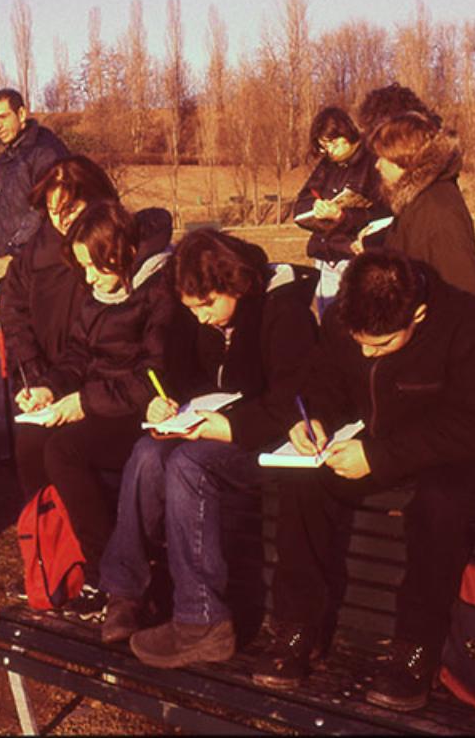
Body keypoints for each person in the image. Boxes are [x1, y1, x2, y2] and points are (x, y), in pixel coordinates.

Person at [250, 250, 475, 713]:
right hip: (372, 441)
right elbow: (322, 380)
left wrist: (381, 457)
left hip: (457, 451)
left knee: (441, 506)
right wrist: (312, 417)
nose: (365, 352)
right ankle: (298, 627)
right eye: (359, 342)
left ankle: (415, 650)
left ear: (417, 312)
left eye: (381, 345)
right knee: (304, 484)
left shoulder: (471, 326)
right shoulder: (346, 315)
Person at [99, 229, 319, 668]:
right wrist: (164, 402)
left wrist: (232, 426)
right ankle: (125, 593)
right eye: (191, 308)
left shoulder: (283, 312)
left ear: (237, 283)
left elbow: (294, 396)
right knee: (146, 452)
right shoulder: (196, 314)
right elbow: (180, 374)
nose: (200, 317)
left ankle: (203, 622)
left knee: (187, 465)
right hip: (208, 425)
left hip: (267, 439)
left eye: (207, 305)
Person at [14, 201, 177, 620]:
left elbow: (152, 377)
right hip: (101, 401)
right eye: (83, 267)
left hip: (140, 409)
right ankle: (53, 552)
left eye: (95, 267)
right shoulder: (98, 290)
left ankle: (105, 570)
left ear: (121, 253)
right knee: (31, 438)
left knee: (65, 450)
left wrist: (84, 403)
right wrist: (48, 388)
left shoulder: (158, 292)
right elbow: (78, 356)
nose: (88, 279)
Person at [0, 155, 119, 385]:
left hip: (104, 384)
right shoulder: (31, 257)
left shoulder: (119, 248)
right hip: (47, 380)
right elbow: (14, 319)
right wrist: (31, 371)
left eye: (71, 209)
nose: (62, 220)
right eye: (54, 211)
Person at [357, 111, 475, 302]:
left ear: (403, 159)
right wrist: (373, 248)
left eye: (382, 158)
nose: (377, 166)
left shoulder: (438, 209)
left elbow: (466, 291)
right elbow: (409, 253)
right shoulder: (416, 200)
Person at [292, 106, 388, 315]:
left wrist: (342, 216)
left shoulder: (375, 164)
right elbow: (302, 202)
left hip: (355, 258)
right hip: (326, 257)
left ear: (347, 134)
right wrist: (315, 208)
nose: (329, 151)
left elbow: (385, 214)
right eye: (323, 146)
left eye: (333, 144)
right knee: (329, 326)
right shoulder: (327, 165)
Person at [0, 88, 69, 284]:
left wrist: (15, 257)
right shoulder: (0, 164)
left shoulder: (46, 153)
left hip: (41, 277)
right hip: (4, 279)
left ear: (21, 114)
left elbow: (46, 212)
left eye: (3, 117)